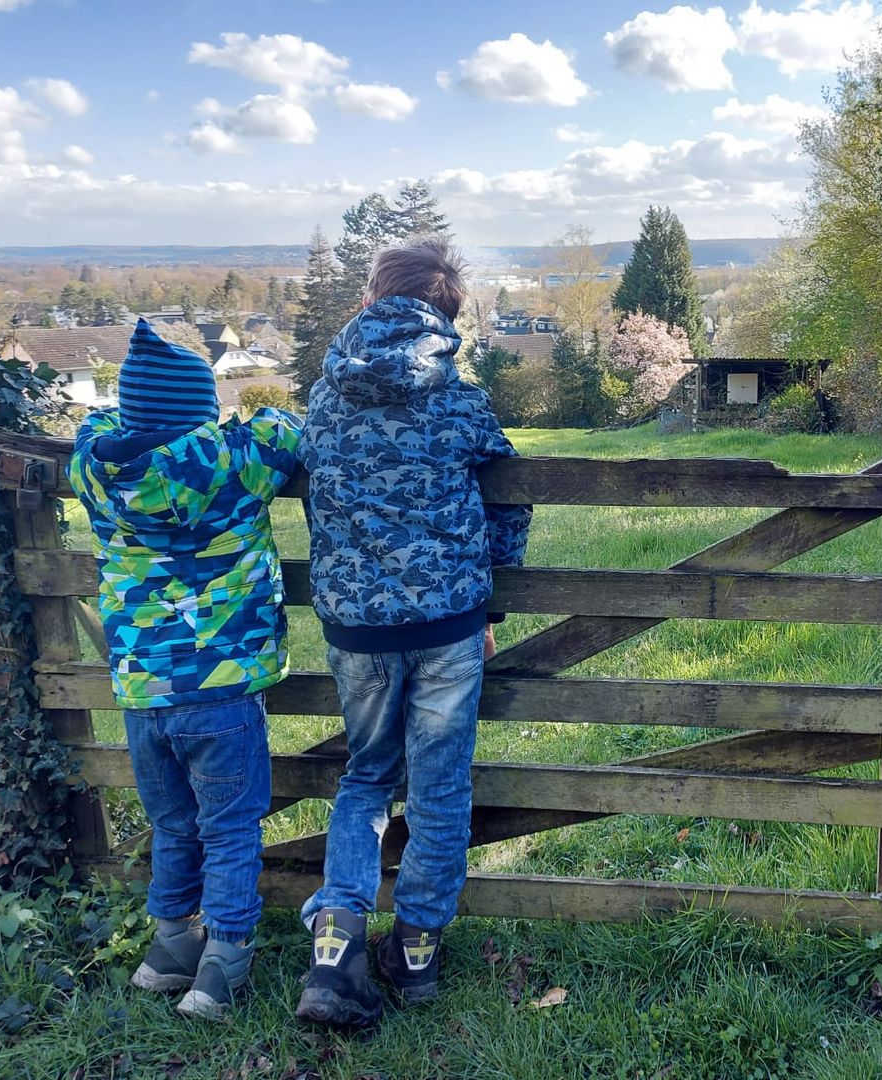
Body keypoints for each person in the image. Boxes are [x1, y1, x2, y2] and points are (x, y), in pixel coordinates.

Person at [294, 236, 532, 1029]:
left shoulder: (324, 398)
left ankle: (334, 952)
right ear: (447, 315)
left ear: (370, 298)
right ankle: (417, 954)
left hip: (357, 627)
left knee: (366, 778)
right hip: (447, 624)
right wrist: (491, 607)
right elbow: (511, 495)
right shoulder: (457, 396)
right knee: (439, 788)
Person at [68, 319, 301, 1019]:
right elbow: (283, 428)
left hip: (143, 688)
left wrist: (128, 417)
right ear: (202, 407)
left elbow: (95, 424)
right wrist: (230, 420)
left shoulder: (96, 468)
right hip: (222, 685)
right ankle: (222, 966)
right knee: (230, 827)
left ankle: (169, 950)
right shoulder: (233, 463)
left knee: (174, 825)